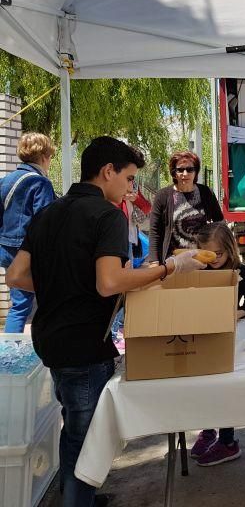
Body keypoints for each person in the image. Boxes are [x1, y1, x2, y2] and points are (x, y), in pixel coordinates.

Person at [5, 136, 207, 507]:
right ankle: (77, 500)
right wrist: (168, 267)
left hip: (50, 340)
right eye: (129, 179)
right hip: (83, 344)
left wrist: (63, 284)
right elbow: (110, 282)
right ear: (107, 171)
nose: (131, 187)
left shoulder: (50, 212)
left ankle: (77, 496)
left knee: (75, 429)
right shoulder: (106, 215)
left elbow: (16, 275)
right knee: (86, 438)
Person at [190, 222, 245, 466]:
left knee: (224, 386)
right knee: (205, 386)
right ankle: (208, 430)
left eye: (219, 254)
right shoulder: (198, 271)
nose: (214, 259)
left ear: (230, 249)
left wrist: (236, 314)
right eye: (207, 254)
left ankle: (228, 441)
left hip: (229, 337)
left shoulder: (242, 272)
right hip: (202, 335)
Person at [0, 132, 56, 332]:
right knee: (36, 303)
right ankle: (13, 356)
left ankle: (12, 351)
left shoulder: (5, 181)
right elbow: (46, 222)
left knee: (19, 303)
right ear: (43, 157)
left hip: (7, 252)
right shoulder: (40, 183)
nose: (49, 162)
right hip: (31, 254)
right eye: (50, 157)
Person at [148, 150, 224, 264]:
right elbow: (155, 231)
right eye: (180, 170)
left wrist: (220, 251)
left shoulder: (206, 192)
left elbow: (219, 223)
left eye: (189, 169)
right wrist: (154, 261)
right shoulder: (162, 196)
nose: (185, 174)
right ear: (174, 173)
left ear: (195, 172)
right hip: (172, 262)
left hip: (202, 260)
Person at [110, 179, 152, 349]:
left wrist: (135, 199)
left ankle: (122, 327)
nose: (130, 180)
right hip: (114, 239)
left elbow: (147, 207)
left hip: (129, 239)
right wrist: (120, 199)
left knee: (126, 286)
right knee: (118, 285)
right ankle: (114, 331)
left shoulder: (133, 185)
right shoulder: (110, 186)